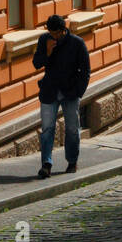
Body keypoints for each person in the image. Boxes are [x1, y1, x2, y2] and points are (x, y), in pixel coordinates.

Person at [32, 14, 91, 178]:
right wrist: (48, 52)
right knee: (47, 129)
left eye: (57, 33)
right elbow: (36, 63)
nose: (54, 36)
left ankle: (72, 161)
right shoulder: (45, 40)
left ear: (64, 30)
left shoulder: (77, 43)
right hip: (49, 91)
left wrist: (78, 92)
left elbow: (85, 71)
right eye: (51, 33)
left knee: (72, 128)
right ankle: (46, 164)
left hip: (70, 92)